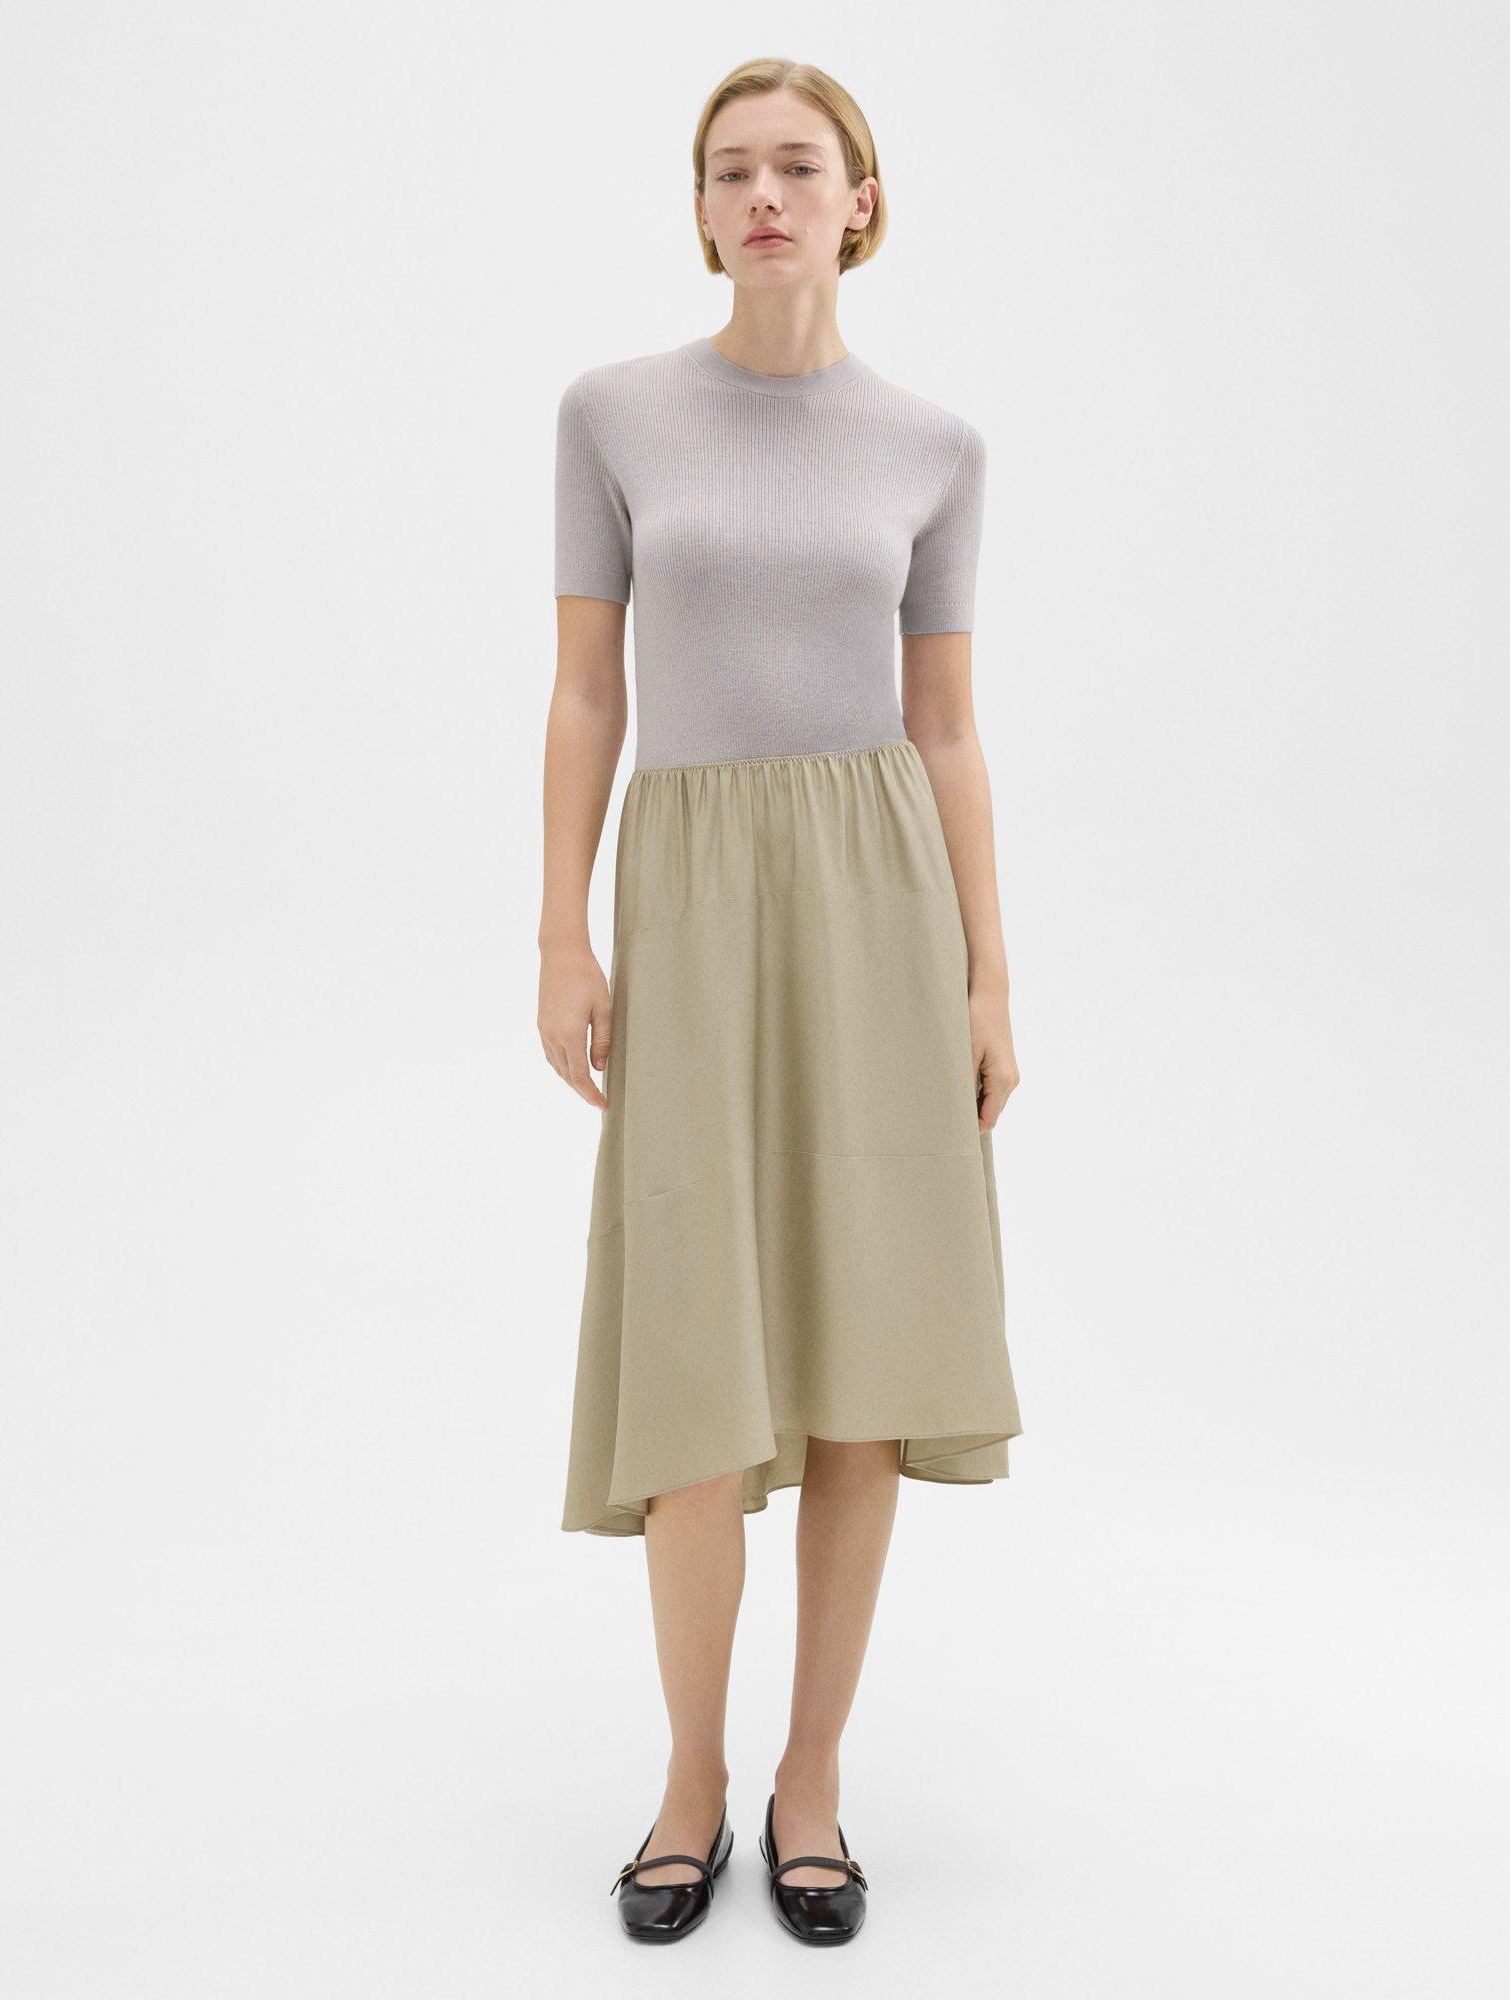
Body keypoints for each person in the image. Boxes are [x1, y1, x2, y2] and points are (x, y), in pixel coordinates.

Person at [537, 56, 1025, 1948]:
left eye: (797, 167)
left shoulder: (934, 446)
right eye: (730, 169)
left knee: (857, 1367)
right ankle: (691, 1783)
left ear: (858, 201)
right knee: (693, 1357)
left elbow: (948, 727)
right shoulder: (611, 416)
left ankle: (808, 1785)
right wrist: (563, 935)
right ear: (699, 209)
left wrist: (989, 971)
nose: (763, 195)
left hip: (878, 903)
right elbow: (589, 692)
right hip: (689, 893)